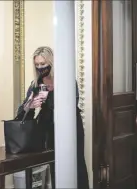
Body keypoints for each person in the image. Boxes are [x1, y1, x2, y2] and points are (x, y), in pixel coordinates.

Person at [16, 46, 89, 189]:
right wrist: (30, 105)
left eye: (43, 64)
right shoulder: (36, 84)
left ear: (51, 63)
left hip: (70, 127)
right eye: (37, 65)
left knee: (77, 163)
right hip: (48, 130)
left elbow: (73, 102)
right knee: (55, 166)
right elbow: (21, 112)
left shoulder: (66, 79)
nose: (40, 68)